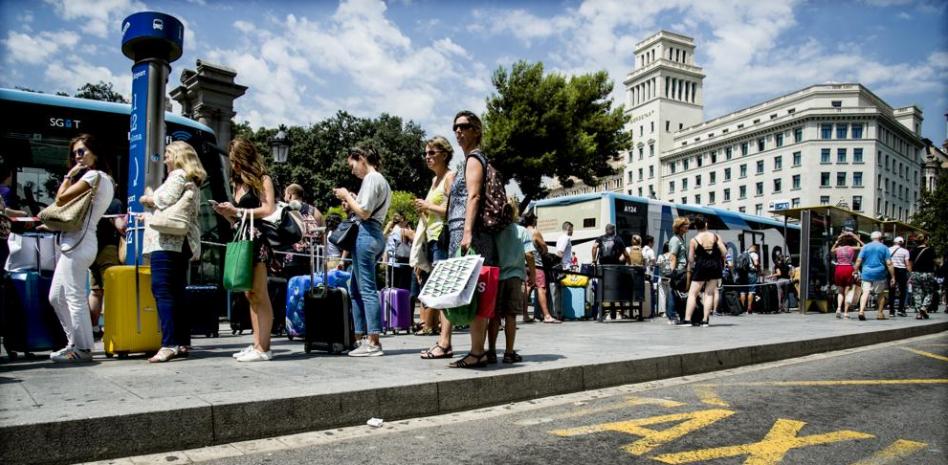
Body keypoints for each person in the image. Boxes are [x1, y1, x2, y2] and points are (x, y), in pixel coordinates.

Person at [48, 134, 115, 363]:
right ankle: (74, 343)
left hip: (78, 242)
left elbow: (61, 198)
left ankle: (83, 348)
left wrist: (69, 175)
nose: (77, 156)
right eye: (75, 153)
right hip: (79, 241)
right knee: (56, 296)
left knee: (74, 295)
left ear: (94, 152)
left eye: (82, 151)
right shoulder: (102, 178)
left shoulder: (94, 176)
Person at [212, 138, 278, 362]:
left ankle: (264, 348)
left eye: (235, 160)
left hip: (257, 239)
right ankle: (257, 343)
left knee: (260, 293)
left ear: (243, 157)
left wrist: (238, 212)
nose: (233, 165)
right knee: (249, 294)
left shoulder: (263, 179)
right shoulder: (237, 182)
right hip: (242, 235)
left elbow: (269, 209)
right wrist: (228, 214)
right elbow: (239, 216)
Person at [140, 141, 205, 362]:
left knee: (162, 290)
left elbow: (163, 199)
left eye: (168, 154)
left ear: (177, 156)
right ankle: (182, 341)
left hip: (168, 242)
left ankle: (169, 344)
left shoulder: (177, 175)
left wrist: (147, 199)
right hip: (183, 242)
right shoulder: (191, 179)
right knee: (177, 292)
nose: (165, 159)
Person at [445, 110, 498, 369]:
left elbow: (474, 196)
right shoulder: (469, 160)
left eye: (464, 126)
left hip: (471, 234)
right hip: (469, 233)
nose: (458, 131)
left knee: (475, 291)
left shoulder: (474, 159)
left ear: (476, 130)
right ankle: (480, 350)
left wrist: (466, 232)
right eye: (455, 127)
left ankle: (477, 352)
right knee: (475, 291)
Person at [334, 145, 391, 357]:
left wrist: (347, 196)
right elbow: (366, 209)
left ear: (361, 159)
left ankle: (373, 341)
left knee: (365, 289)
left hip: (366, 234)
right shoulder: (381, 181)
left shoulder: (371, 178)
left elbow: (364, 213)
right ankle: (361, 338)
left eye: (352, 165)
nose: (352, 171)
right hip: (373, 235)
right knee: (355, 289)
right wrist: (353, 201)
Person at [413, 136, 455, 346]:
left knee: (443, 289)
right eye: (426, 153)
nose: (427, 157)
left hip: (442, 238)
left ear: (444, 155)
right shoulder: (434, 180)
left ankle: (444, 341)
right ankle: (441, 338)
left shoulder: (449, 177)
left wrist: (427, 206)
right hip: (432, 239)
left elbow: (453, 211)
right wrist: (424, 210)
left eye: (432, 153)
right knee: (437, 288)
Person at [487, 198, 535, 364]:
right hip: (514, 277)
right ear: (515, 213)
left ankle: (491, 352)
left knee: (494, 316)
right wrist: (533, 274)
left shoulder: (494, 231)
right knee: (511, 316)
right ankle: (508, 353)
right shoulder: (521, 231)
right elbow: (529, 254)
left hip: (496, 277)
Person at [87, 189, 125, 340]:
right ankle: (110, 328)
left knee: (95, 291)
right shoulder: (114, 203)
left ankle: (93, 328)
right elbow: (120, 225)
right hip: (108, 249)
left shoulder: (90, 202)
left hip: (91, 249)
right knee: (111, 290)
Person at [684, 216, 726, 327]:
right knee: (709, 293)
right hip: (715, 266)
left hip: (701, 266)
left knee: (693, 293)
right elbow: (724, 252)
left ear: (696, 227)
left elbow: (691, 259)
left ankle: (688, 320)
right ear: (706, 224)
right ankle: (705, 320)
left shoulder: (694, 240)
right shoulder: (716, 237)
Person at [522, 213, 559, 324]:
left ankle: (525, 315)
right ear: (533, 220)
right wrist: (543, 252)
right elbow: (544, 247)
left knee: (528, 288)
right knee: (541, 288)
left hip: (524, 264)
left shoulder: (522, 232)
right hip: (536, 264)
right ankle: (547, 315)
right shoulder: (535, 232)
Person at [854, 231, 895, 321]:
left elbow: (858, 261)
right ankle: (880, 314)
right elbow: (889, 263)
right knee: (881, 294)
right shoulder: (884, 248)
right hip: (880, 274)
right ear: (880, 238)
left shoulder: (865, 247)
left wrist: (855, 271)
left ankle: (861, 311)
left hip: (866, 273)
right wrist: (893, 276)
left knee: (865, 292)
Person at [831, 231, 863, 318]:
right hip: (848, 268)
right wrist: (856, 238)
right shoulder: (852, 248)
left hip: (839, 269)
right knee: (848, 292)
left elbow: (831, 250)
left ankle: (838, 308)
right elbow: (864, 247)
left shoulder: (838, 249)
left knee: (840, 291)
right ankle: (845, 312)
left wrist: (838, 240)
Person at [666, 216, 690, 325]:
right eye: (686, 226)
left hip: (682, 270)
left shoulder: (680, 238)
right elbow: (673, 256)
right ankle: (671, 316)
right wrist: (673, 272)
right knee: (673, 293)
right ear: (680, 227)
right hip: (678, 270)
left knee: (677, 293)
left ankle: (679, 315)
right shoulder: (675, 240)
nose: (687, 228)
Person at [383, 212, 413, 290]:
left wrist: (384, 261)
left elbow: (387, 248)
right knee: (403, 288)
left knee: (392, 288)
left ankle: (392, 302)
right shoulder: (403, 230)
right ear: (403, 219)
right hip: (402, 262)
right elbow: (416, 241)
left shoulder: (391, 230)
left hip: (391, 263)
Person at [909, 234, 936, 319]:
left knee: (917, 293)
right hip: (928, 273)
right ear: (925, 240)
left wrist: (911, 274)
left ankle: (918, 313)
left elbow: (910, 263)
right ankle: (923, 308)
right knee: (929, 292)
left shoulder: (913, 250)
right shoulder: (931, 250)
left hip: (915, 273)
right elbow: (936, 262)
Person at [888, 236, 911, 317]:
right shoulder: (905, 251)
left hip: (891, 270)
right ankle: (901, 309)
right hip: (902, 270)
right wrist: (910, 273)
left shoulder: (888, 249)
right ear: (902, 243)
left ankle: (891, 311)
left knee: (891, 290)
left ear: (894, 242)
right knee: (903, 291)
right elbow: (907, 263)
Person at [736, 244, 761, 314]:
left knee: (742, 291)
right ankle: (749, 308)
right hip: (751, 273)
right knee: (751, 291)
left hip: (742, 274)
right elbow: (756, 263)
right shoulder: (754, 254)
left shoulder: (743, 253)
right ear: (755, 248)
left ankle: (742, 308)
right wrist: (759, 266)